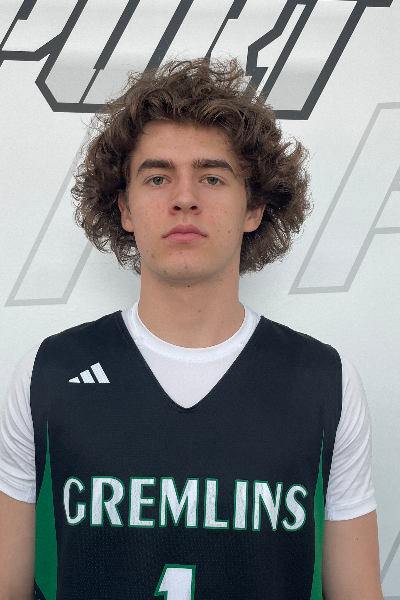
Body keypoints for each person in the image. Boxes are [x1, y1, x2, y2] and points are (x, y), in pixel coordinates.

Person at [0, 58, 383, 600]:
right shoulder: (48, 375)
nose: (185, 198)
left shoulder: (324, 381)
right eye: (157, 178)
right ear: (125, 208)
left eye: (212, 177)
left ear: (254, 208)